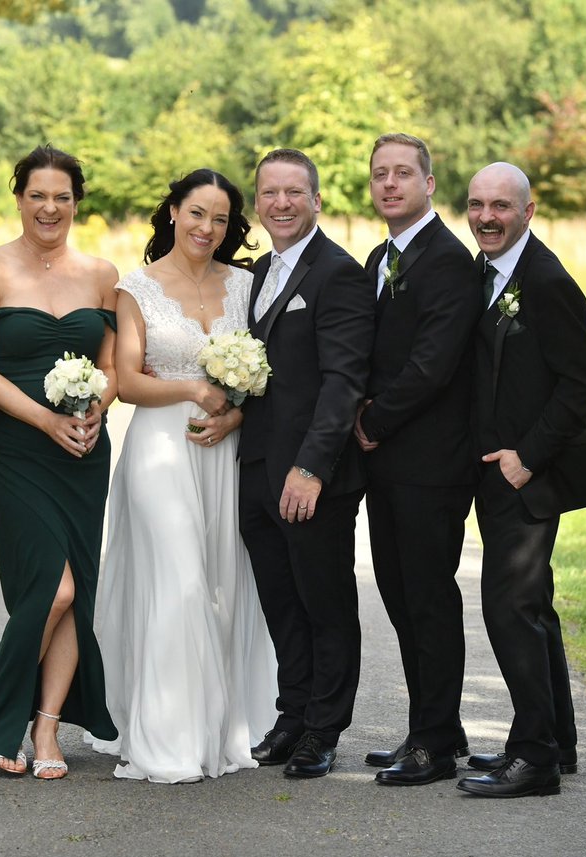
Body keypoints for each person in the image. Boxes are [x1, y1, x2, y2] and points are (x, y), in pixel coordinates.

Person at [88, 169, 278, 783]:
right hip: (159, 449)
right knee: (180, 583)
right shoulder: (136, 288)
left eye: (220, 219)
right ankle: (163, 740)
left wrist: (236, 415)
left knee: (221, 587)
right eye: (197, 213)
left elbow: (272, 373)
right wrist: (196, 387)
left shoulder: (249, 285)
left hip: (223, 452)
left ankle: (215, 734)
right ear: (173, 211)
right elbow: (131, 381)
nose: (207, 228)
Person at [0, 145, 119, 780]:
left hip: (83, 449)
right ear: (19, 198)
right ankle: (5, 714)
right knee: (51, 588)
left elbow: (112, 366)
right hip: (17, 447)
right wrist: (46, 418)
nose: (49, 207)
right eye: (37, 195)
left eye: (62, 196)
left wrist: (95, 411)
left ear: (77, 202)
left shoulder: (102, 274)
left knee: (77, 590)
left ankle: (46, 727)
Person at [455, 162, 586, 798]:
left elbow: (583, 385)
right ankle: (556, 743)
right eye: (477, 205)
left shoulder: (546, 280)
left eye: (500, 206)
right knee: (533, 608)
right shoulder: (486, 273)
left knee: (511, 606)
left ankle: (535, 759)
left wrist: (527, 456)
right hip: (498, 472)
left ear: (528, 210)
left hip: (528, 474)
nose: (486, 217)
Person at [238, 148, 376, 778]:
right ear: (258, 201)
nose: (283, 203)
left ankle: (324, 728)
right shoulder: (256, 271)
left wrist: (312, 468)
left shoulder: (338, 273)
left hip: (309, 477)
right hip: (255, 470)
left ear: (317, 200)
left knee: (324, 603)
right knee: (281, 603)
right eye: (271, 193)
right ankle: (291, 714)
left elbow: (344, 382)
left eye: (296, 192)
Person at [353, 134, 482, 786]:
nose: (390, 183)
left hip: (431, 463)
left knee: (428, 598)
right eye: (381, 174)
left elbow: (433, 364)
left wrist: (371, 420)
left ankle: (433, 742)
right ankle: (435, 727)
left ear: (430, 183)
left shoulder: (449, 261)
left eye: (403, 173)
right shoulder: (382, 255)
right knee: (402, 596)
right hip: (388, 465)